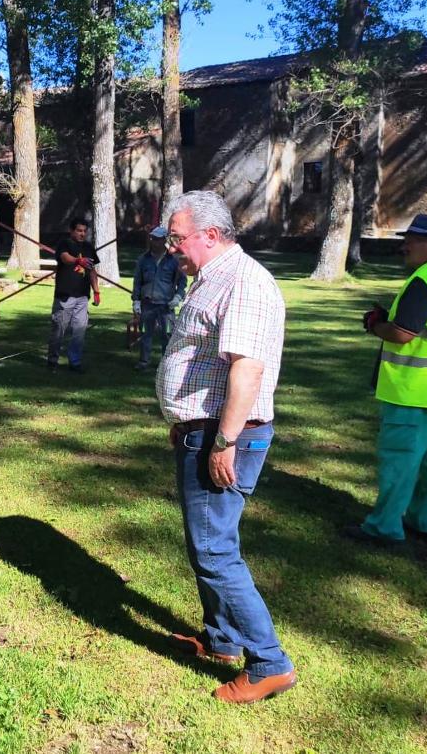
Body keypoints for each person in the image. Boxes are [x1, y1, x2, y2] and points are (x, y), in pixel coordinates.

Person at [155, 190, 296, 704]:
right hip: (203, 428)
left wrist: (224, 441)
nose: (172, 247)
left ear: (210, 236)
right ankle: (222, 641)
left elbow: (247, 369)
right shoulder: (211, 279)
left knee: (216, 551)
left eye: (177, 238)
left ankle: (269, 662)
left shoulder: (242, 281)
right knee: (206, 545)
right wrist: (184, 417)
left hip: (226, 433)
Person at [345, 213, 427, 546]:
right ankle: (425, 523)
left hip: (412, 391)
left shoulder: (425, 280)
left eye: (412, 241)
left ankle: (384, 528)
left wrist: (375, 324)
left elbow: (402, 334)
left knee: (399, 465)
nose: (405, 246)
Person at [47, 219, 101, 372]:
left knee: (79, 331)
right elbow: (64, 258)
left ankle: (75, 362)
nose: (82, 233)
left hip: (82, 297)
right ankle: (52, 361)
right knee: (59, 330)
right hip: (65, 296)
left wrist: (96, 291)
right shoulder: (64, 244)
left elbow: (92, 271)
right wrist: (78, 260)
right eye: (79, 230)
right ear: (71, 231)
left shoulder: (89, 248)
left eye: (84, 231)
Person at [131, 225, 187, 370]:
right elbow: (137, 281)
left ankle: (166, 363)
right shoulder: (143, 259)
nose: (154, 241)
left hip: (166, 306)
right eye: (152, 238)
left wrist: (178, 296)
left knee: (167, 335)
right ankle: (144, 362)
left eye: (157, 239)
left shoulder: (174, 261)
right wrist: (136, 300)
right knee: (145, 334)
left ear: (164, 240)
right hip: (147, 304)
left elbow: (182, 281)